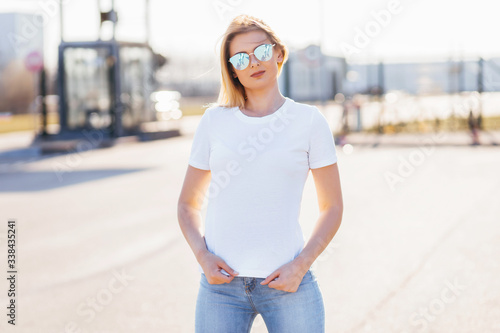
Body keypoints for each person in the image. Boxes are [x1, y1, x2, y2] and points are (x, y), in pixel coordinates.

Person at [177, 14, 343, 333]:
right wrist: (202, 256)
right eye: (241, 58)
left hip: (289, 285)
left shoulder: (309, 121)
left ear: (279, 53)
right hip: (220, 290)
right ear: (233, 71)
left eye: (262, 51)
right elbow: (187, 205)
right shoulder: (214, 122)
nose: (254, 62)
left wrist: (301, 265)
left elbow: (332, 208)